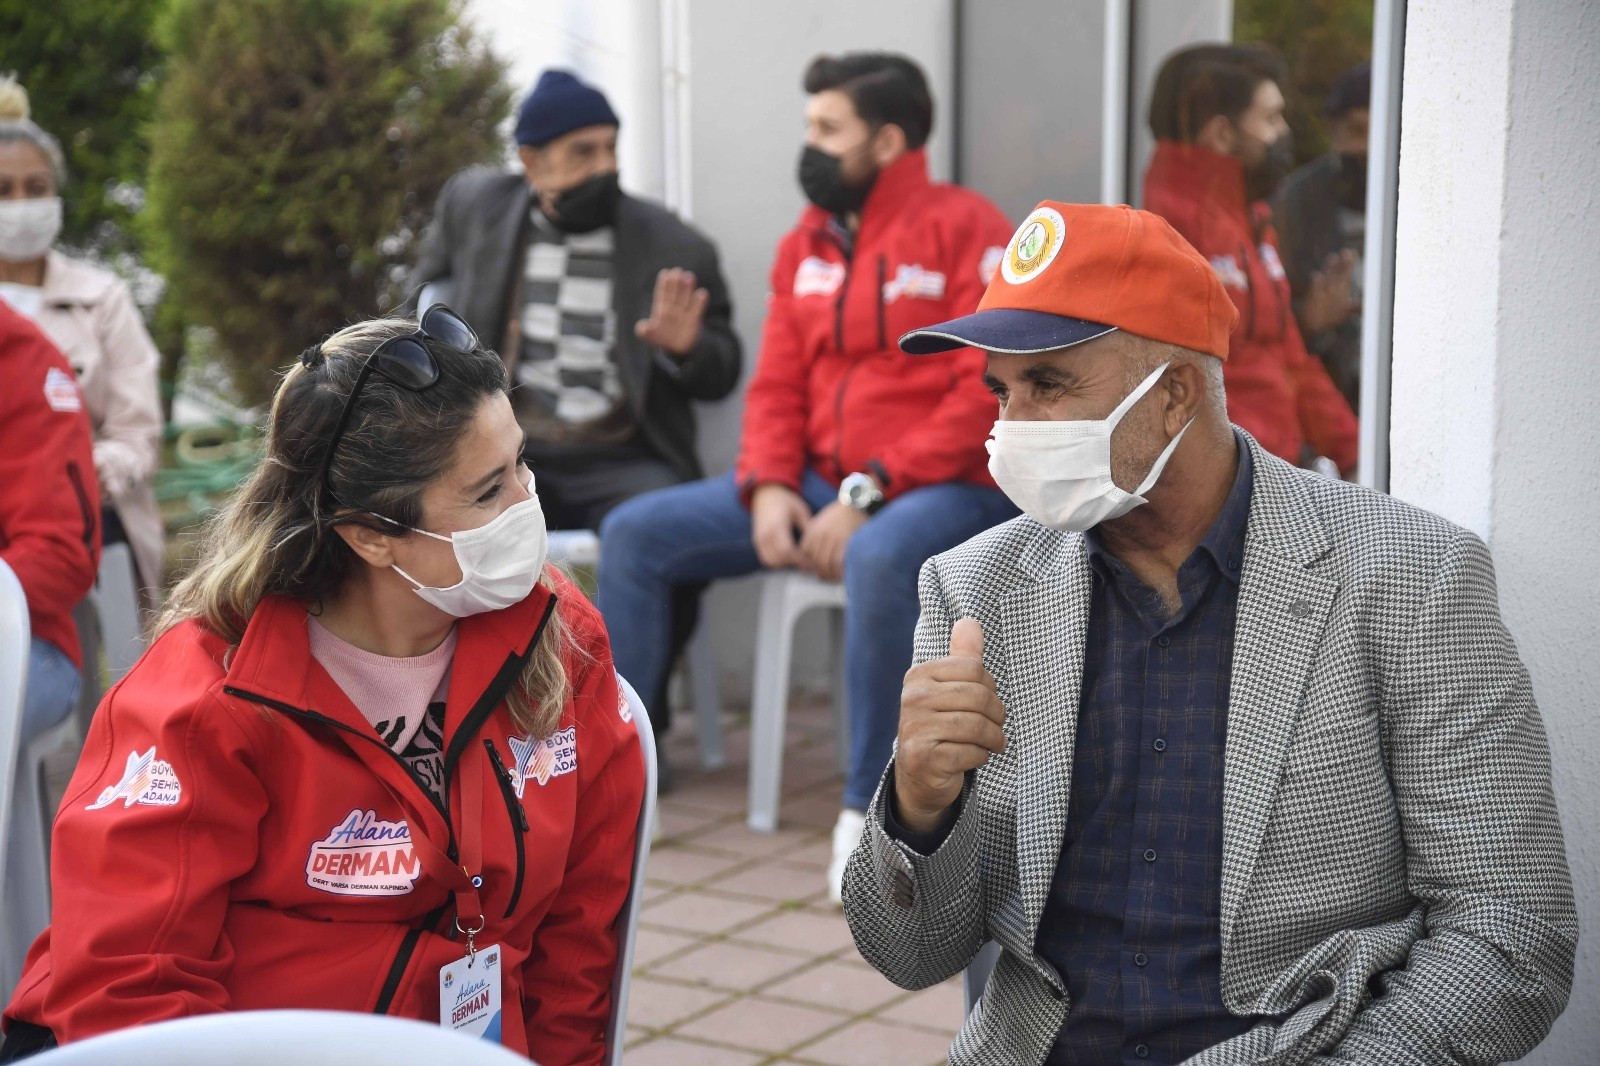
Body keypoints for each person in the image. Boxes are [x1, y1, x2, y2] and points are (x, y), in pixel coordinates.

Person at [841, 201, 1577, 1064]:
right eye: (1002, 390)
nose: (1010, 429)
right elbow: (910, 953)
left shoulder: (1407, 578)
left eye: (1049, 384)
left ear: (1176, 395)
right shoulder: (978, 589)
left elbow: (1510, 928)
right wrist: (920, 806)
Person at [0, 309, 643, 1066]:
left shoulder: (562, 639)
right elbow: (131, 994)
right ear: (369, 532)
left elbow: (578, 943)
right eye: (487, 490)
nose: (528, 506)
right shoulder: (206, 700)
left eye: (522, 465)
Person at [597, 51, 1017, 903]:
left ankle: (867, 815)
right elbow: (779, 381)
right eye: (808, 127)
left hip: (940, 487)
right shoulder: (806, 241)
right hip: (820, 483)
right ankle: (619, 782)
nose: (812, 145)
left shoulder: (969, 228)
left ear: (889, 139)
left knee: (879, 557)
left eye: (829, 128)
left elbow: (981, 394)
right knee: (635, 534)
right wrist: (770, 483)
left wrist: (869, 489)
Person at [1142, 45, 1359, 475]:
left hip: (1272, 470)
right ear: (1222, 134)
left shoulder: (1251, 218)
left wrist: (1357, 452)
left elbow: (1291, 363)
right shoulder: (1164, 228)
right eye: (1271, 118)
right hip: (1219, 485)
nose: (1283, 132)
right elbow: (1172, 387)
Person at [0, 76, 164, 604]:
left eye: (36, 188)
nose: (21, 204)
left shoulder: (103, 298)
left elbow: (138, 434)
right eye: (3, 190)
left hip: (93, 529)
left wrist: (74, 473)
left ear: (56, 190)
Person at [1273, 61, 1371, 411]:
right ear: (1333, 130)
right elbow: (1273, 323)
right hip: (1327, 393)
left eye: (1383, 133)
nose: (1369, 149)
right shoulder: (1297, 202)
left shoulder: (1423, 203)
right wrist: (1312, 321)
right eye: (1357, 131)